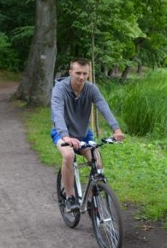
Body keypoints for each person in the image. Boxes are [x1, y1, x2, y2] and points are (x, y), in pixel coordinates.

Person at [50, 58, 125, 212]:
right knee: (69, 156)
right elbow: (57, 113)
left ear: (89, 74)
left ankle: (91, 200)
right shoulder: (60, 89)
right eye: (78, 73)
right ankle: (70, 197)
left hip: (83, 134)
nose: (81, 77)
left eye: (85, 74)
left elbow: (103, 106)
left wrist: (116, 129)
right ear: (70, 72)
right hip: (62, 133)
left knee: (97, 163)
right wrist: (66, 136)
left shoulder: (91, 89)